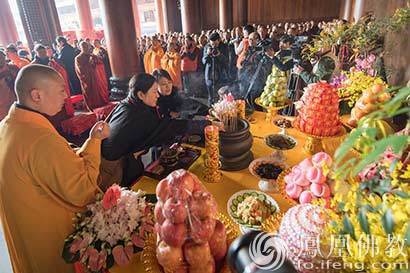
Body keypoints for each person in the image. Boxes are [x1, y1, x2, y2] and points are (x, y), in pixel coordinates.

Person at [0, 64, 110, 273]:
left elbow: (56, 163)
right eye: (61, 90)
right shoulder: (39, 139)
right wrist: (95, 142)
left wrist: (88, 142)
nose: (66, 97)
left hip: (26, 236)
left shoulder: (8, 125)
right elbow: (83, 190)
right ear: (36, 95)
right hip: (51, 244)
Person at [100, 73, 211, 187]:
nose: (157, 95)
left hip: (123, 156)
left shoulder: (127, 104)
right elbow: (172, 126)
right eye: (154, 92)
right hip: (114, 167)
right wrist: (208, 125)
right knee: (133, 188)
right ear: (141, 95)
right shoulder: (139, 116)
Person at [75, 41, 109, 111]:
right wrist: (89, 64)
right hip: (88, 80)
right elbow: (80, 71)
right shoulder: (78, 58)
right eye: (84, 47)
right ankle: (93, 107)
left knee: (99, 92)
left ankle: (102, 103)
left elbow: (101, 65)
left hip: (96, 79)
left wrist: (95, 63)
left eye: (87, 46)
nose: (86, 48)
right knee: (90, 94)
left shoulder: (93, 56)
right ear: (80, 48)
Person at [202, 32, 229, 105]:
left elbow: (227, 61)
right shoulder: (207, 47)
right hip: (209, 75)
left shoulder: (224, 47)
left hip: (221, 75)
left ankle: (221, 112)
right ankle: (210, 110)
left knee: (221, 96)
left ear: (219, 40)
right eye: (212, 44)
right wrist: (207, 54)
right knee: (211, 97)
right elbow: (204, 61)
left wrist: (219, 55)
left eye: (215, 44)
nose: (214, 46)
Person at [0, 51, 18, 120]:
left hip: (18, 102)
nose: (0, 60)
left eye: (2, 57)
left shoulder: (13, 68)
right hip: (3, 109)